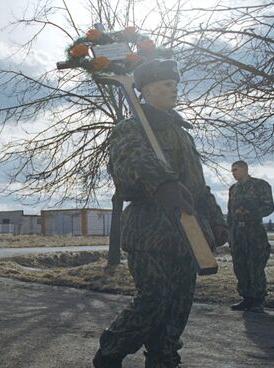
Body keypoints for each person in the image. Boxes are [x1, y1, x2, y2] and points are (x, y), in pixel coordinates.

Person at [93, 60, 229, 368]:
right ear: (147, 90)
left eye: (175, 84)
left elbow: (198, 186)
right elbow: (128, 165)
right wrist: (162, 183)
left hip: (188, 236)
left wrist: (217, 220)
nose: (174, 89)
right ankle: (110, 353)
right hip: (151, 232)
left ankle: (164, 360)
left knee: (177, 309)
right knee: (154, 301)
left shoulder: (183, 134)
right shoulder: (130, 129)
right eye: (166, 84)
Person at [228, 160, 274, 313]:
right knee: (240, 265)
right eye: (232, 170)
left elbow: (269, 207)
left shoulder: (260, 185)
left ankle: (258, 299)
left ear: (244, 169)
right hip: (238, 234)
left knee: (255, 265)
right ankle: (246, 297)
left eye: (236, 169)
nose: (233, 173)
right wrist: (229, 232)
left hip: (254, 232)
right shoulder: (233, 189)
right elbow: (230, 212)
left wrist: (252, 213)